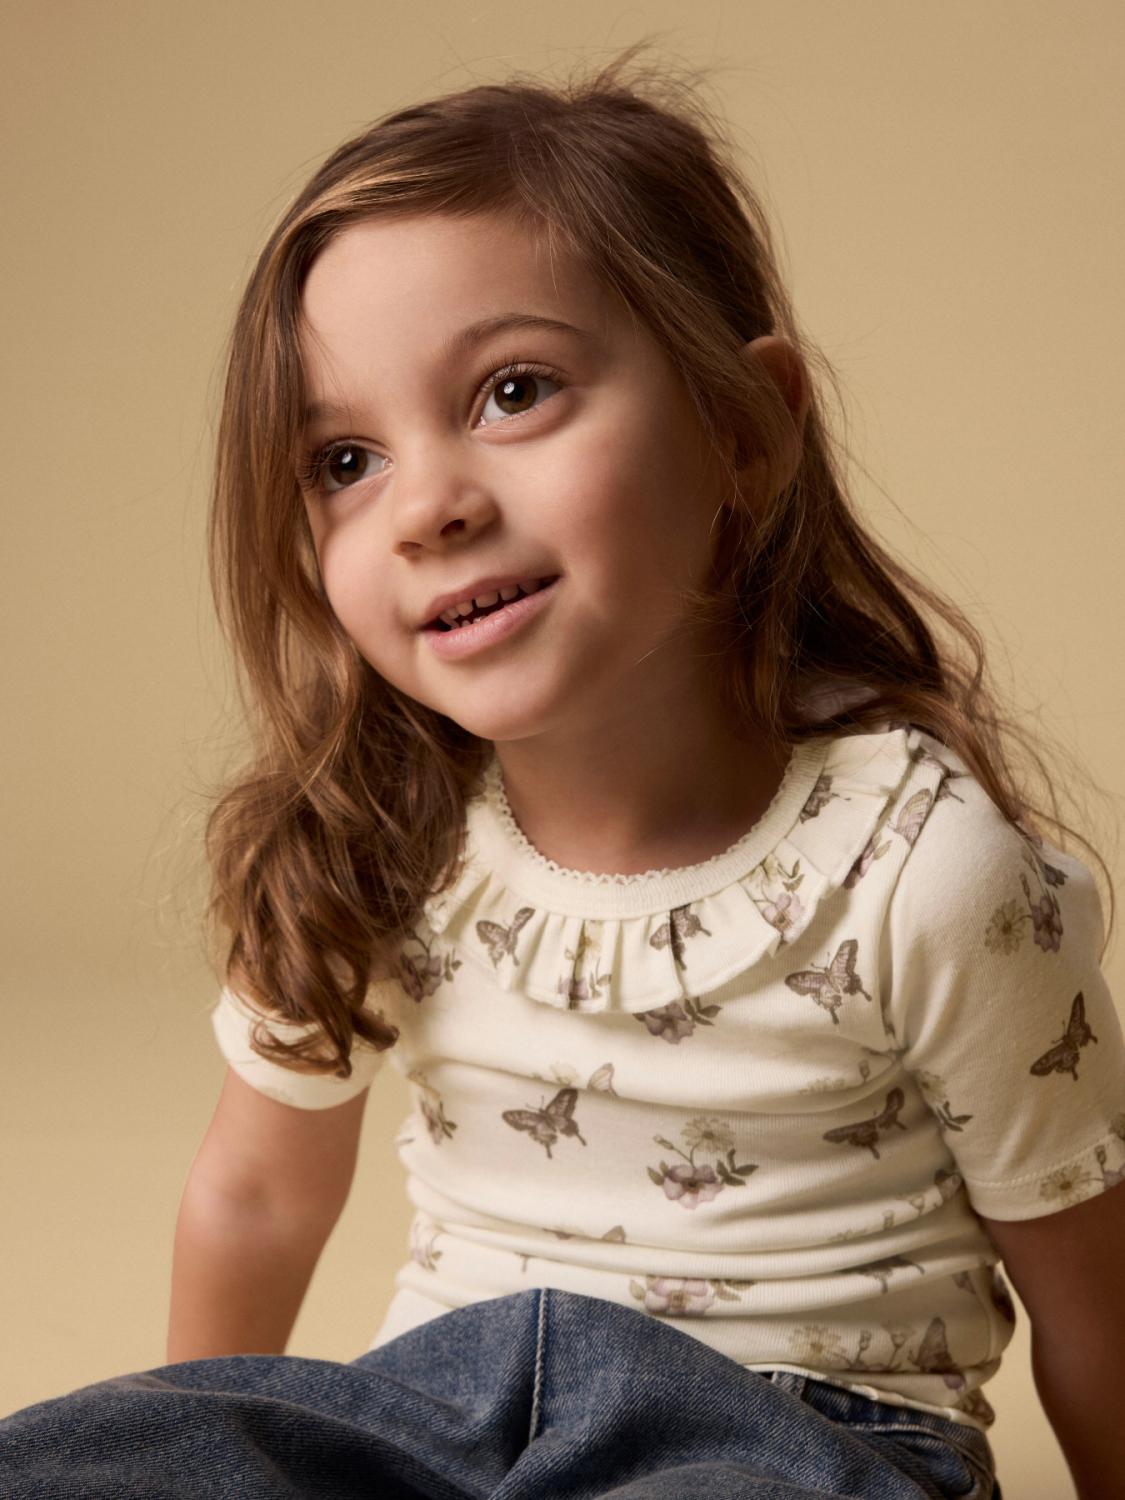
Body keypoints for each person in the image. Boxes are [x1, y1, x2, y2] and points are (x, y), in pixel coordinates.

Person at [3, 43, 1123, 1500]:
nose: (427, 507)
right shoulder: (372, 833)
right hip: (438, 1412)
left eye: (513, 390)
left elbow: (1095, 1300)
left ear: (742, 430)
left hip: (790, 1435)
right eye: (343, 462)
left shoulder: (919, 865)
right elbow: (258, 1196)